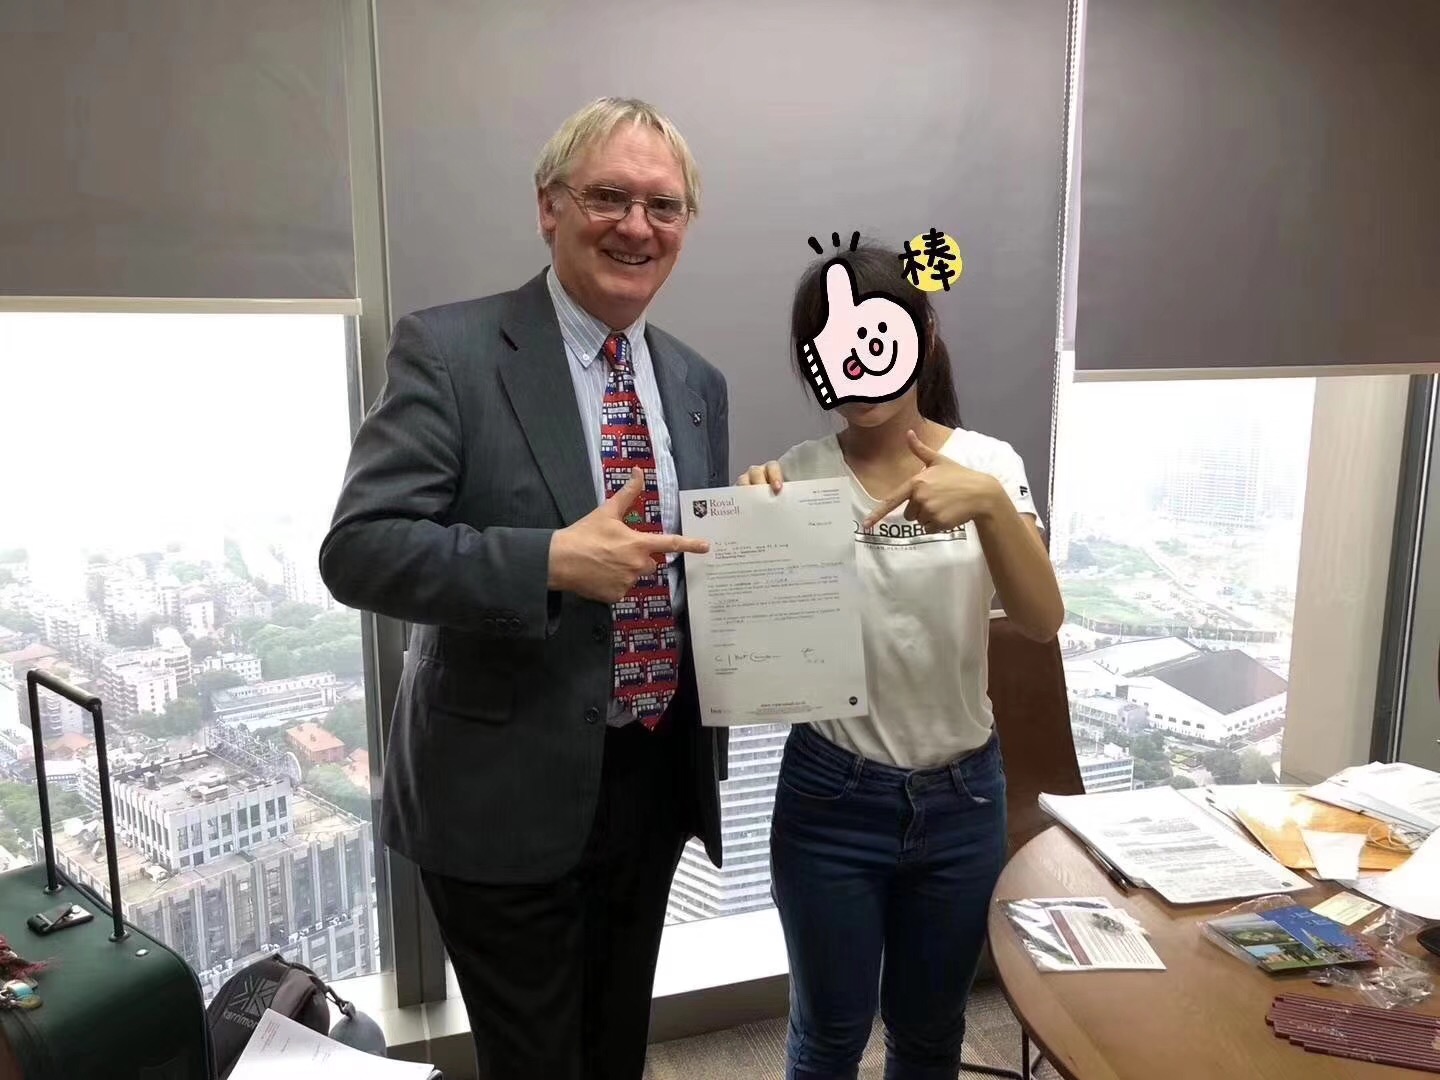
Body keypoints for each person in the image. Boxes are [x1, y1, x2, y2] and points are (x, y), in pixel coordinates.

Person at [319, 97, 730, 1080]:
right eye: (609, 197)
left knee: (614, 1047)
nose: (637, 226)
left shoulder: (696, 382)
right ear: (550, 207)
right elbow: (361, 550)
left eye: (664, 206)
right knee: (538, 1063)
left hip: (651, 774)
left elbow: (684, 567)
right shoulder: (451, 352)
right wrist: (546, 561)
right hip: (498, 790)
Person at [738, 243, 1064, 1080]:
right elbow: (765, 653)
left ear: (922, 333)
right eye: (829, 345)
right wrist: (751, 534)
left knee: (929, 1034)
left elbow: (1041, 620)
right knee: (829, 1035)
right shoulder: (798, 477)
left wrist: (988, 506)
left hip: (962, 798)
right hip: (831, 796)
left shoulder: (991, 466)